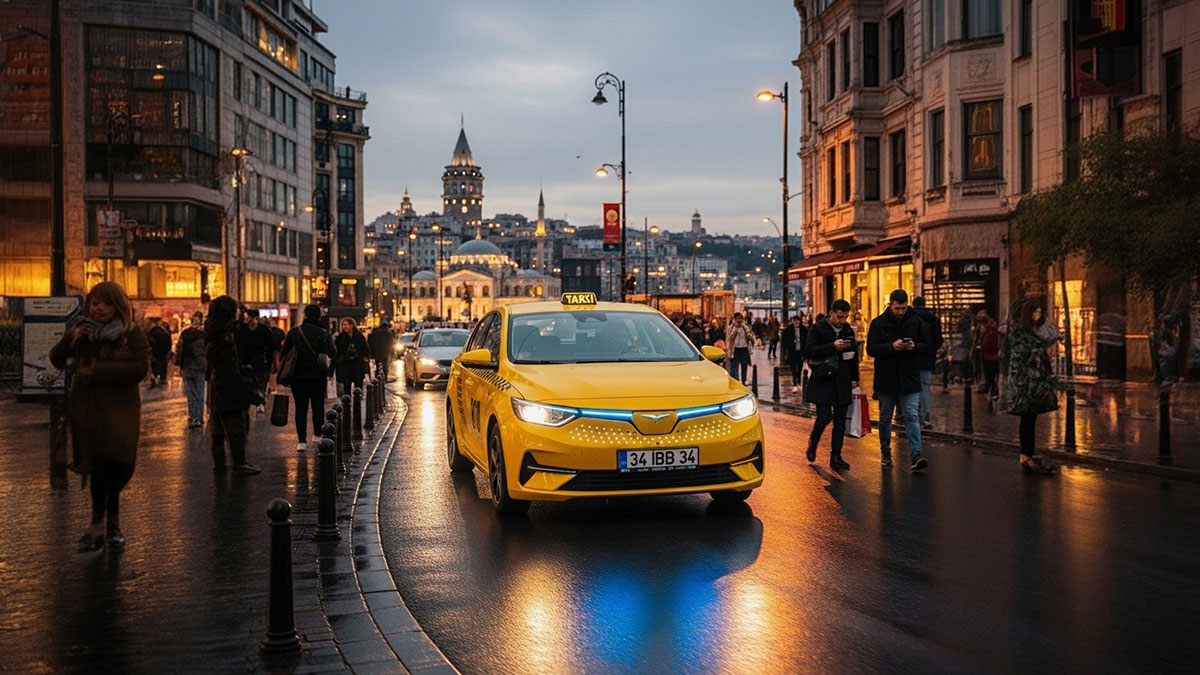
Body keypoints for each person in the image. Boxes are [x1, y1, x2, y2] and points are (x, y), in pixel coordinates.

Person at [49, 281, 149, 552]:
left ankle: (111, 524)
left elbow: (140, 368)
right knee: (99, 467)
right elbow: (57, 359)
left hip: (121, 412)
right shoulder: (82, 332)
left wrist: (99, 372)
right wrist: (71, 339)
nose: (99, 308)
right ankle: (100, 526)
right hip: (88, 410)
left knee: (119, 466)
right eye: (95, 303)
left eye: (105, 303)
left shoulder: (131, 333)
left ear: (117, 306)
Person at [867, 289, 928, 471]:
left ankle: (916, 454)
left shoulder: (916, 321)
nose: (900, 312)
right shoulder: (878, 323)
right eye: (897, 308)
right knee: (886, 418)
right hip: (887, 378)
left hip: (909, 377)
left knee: (911, 416)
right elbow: (871, 349)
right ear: (890, 306)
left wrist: (914, 346)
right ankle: (886, 451)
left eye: (903, 308)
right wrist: (891, 347)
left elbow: (927, 345)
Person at [1000, 299, 1058, 475]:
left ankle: (1029, 452)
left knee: (1031, 418)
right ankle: (1026, 454)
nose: (1037, 316)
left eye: (1040, 312)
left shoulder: (1037, 332)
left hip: (1036, 382)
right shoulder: (1019, 334)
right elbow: (1018, 358)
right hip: (1024, 383)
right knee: (1027, 418)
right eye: (1034, 312)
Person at [206, 296, 260, 475]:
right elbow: (229, 361)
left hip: (216, 383)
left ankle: (219, 463)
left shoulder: (211, 328)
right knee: (235, 425)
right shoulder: (227, 333)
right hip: (229, 382)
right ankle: (239, 463)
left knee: (217, 427)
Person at [803, 299, 858, 470]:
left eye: (845, 317)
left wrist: (855, 378)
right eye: (840, 317)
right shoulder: (818, 329)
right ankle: (813, 444)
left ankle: (836, 456)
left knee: (840, 420)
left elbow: (854, 356)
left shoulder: (848, 330)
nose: (842, 321)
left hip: (842, 378)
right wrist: (832, 346)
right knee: (824, 416)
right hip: (823, 378)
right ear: (832, 313)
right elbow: (809, 351)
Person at [280, 304, 336, 452]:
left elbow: (284, 351)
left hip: (298, 376)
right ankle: (317, 434)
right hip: (318, 375)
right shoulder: (323, 332)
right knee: (318, 405)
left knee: (300, 407)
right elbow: (332, 352)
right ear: (319, 316)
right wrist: (328, 371)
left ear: (305, 315)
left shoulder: (295, 332)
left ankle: (301, 441)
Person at [910, 297, 942, 429]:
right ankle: (925, 415)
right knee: (925, 388)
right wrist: (932, 351)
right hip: (927, 359)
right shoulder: (933, 319)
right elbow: (938, 340)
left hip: (912, 357)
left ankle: (914, 416)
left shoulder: (910, 318)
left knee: (912, 388)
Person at [238, 309, 276, 415]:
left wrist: (269, 362)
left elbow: (270, 348)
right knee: (250, 384)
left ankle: (260, 402)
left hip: (260, 363)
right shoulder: (244, 330)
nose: (250, 320)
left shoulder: (262, 331)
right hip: (247, 363)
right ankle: (255, 401)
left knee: (260, 384)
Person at [175, 311, 207, 429]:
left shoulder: (184, 334)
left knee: (191, 393)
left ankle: (192, 416)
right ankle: (199, 417)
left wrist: (178, 362)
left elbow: (179, 349)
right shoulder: (203, 335)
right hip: (200, 367)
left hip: (187, 367)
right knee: (200, 393)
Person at [334, 317, 370, 398]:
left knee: (358, 384)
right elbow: (337, 350)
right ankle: (347, 402)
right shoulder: (340, 337)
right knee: (346, 384)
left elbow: (365, 349)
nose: (345, 327)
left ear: (352, 325)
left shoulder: (359, 336)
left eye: (347, 325)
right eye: (343, 325)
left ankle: (358, 400)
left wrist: (365, 359)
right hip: (346, 364)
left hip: (357, 364)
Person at [976, 310, 1000, 399]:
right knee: (990, 375)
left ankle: (991, 390)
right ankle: (991, 389)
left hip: (989, 355)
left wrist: (981, 347)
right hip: (990, 355)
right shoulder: (990, 330)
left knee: (990, 374)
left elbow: (987, 344)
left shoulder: (990, 331)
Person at [781, 313, 808, 393]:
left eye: (797, 321)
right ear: (792, 321)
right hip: (792, 351)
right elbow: (784, 341)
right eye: (794, 321)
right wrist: (786, 349)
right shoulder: (788, 330)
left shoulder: (804, 330)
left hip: (800, 351)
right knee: (793, 368)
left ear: (799, 321)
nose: (796, 322)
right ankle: (795, 384)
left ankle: (799, 382)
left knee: (799, 368)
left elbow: (806, 340)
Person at [725, 312, 754, 384]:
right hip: (735, 350)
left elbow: (751, 337)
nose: (739, 321)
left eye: (741, 319)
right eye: (737, 319)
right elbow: (729, 339)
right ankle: (736, 382)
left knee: (744, 366)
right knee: (734, 368)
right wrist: (735, 330)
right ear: (734, 319)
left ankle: (744, 381)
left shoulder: (746, 327)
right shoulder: (731, 328)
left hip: (744, 349)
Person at [146, 317, 171, 387]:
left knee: (155, 366)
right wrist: (168, 350)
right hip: (162, 352)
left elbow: (150, 342)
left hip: (156, 352)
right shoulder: (164, 332)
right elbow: (168, 341)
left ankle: (155, 379)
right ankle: (162, 379)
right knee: (162, 365)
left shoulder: (152, 332)